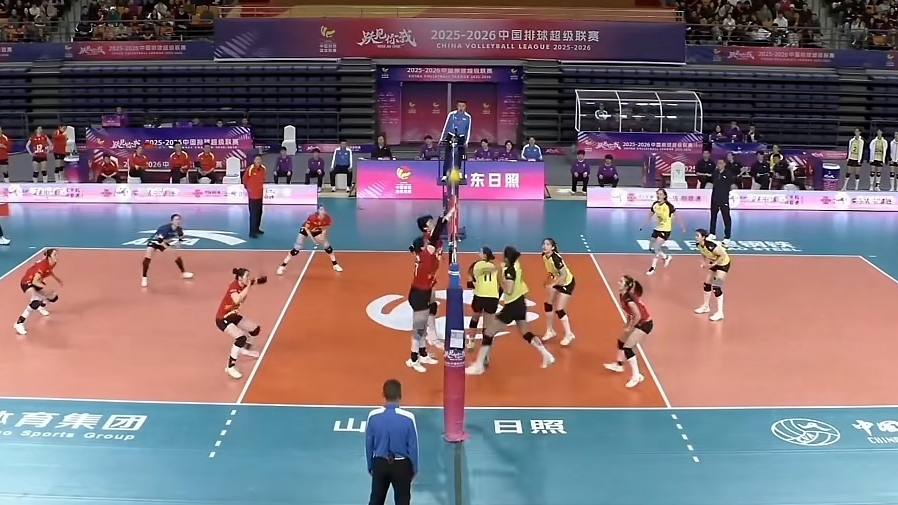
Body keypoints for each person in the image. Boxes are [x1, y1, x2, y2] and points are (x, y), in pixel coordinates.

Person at [466, 245, 555, 375]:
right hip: (521, 303)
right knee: (526, 333)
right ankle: (547, 355)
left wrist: (501, 281)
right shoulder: (516, 265)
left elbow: (508, 290)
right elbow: (502, 266)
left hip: (512, 306)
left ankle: (479, 365)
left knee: (489, 332)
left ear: (507, 258)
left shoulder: (509, 271)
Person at [405, 211, 453, 372]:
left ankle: (423, 353)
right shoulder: (425, 256)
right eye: (427, 244)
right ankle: (413, 359)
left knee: (423, 326)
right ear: (422, 248)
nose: (430, 244)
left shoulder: (424, 254)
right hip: (419, 293)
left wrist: (444, 220)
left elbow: (434, 239)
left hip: (424, 290)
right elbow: (434, 238)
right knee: (418, 328)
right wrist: (444, 219)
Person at [365, 379, 418, 505]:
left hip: (380, 463)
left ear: (383, 394)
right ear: (400, 395)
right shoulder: (408, 418)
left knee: (376, 500)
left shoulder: (373, 416)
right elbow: (413, 447)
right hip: (402, 466)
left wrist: (371, 466)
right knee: (403, 501)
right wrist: (413, 469)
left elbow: (369, 444)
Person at [603, 275, 653, 388]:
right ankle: (619, 365)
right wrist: (627, 324)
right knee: (621, 341)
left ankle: (636, 376)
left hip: (645, 324)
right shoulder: (623, 295)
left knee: (628, 348)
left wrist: (630, 327)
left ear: (626, 286)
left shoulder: (629, 300)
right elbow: (630, 313)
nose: (618, 282)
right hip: (638, 322)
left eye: (621, 281)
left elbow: (637, 315)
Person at [215, 267, 264, 379]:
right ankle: (230, 367)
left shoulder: (243, 283)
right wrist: (248, 286)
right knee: (241, 338)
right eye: (246, 276)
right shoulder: (233, 287)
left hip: (233, 315)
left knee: (255, 329)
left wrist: (260, 280)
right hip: (223, 319)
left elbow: (253, 281)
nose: (248, 278)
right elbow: (237, 299)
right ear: (240, 278)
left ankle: (242, 349)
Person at [276, 205, 343, 275]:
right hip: (306, 230)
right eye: (321, 210)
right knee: (296, 250)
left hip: (316, 229)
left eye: (323, 210)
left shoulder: (327, 218)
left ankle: (335, 265)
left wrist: (322, 235)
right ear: (318, 211)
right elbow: (306, 228)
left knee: (328, 248)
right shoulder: (312, 217)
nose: (323, 211)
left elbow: (324, 227)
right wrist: (313, 239)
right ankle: (282, 267)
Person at [14, 248, 62, 336]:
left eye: (57, 254)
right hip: (27, 282)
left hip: (37, 282)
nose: (57, 256)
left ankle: (41, 306)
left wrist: (57, 279)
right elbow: (34, 281)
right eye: (55, 255)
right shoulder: (43, 266)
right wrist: (46, 288)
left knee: (53, 297)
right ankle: (19, 323)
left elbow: (49, 271)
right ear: (49, 257)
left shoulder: (52, 263)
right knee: (35, 301)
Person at [141, 214, 195, 288]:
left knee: (175, 254)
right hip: (154, 241)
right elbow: (159, 240)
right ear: (172, 221)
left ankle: (184, 273)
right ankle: (144, 277)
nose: (178, 221)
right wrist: (166, 246)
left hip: (164, 242)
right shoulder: (165, 229)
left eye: (179, 219)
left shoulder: (179, 229)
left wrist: (179, 243)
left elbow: (181, 237)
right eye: (176, 220)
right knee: (148, 256)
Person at [640, 189, 685, 276]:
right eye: (657, 194)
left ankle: (653, 268)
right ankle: (666, 257)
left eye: (660, 194)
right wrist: (643, 225)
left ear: (664, 196)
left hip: (665, 230)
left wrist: (682, 226)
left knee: (656, 247)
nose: (658, 196)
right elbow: (650, 215)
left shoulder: (668, 206)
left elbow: (677, 215)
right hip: (657, 228)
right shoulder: (655, 205)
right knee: (651, 247)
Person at [540, 238, 575, 346]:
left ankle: (569, 334)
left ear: (553, 247)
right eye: (544, 244)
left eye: (547, 244)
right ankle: (550, 331)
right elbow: (551, 271)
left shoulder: (556, 258)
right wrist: (546, 280)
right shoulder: (544, 256)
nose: (544, 246)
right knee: (548, 305)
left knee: (559, 309)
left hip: (567, 283)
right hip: (557, 280)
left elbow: (564, 275)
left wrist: (553, 285)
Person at [693, 228, 731, 322]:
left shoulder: (711, 245)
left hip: (723, 264)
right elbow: (704, 253)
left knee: (717, 287)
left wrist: (713, 264)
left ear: (703, 237)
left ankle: (720, 312)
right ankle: (706, 306)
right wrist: (704, 262)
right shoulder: (699, 245)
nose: (695, 237)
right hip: (714, 262)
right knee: (707, 284)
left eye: (698, 236)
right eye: (695, 235)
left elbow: (722, 255)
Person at [466, 246, 500, 349]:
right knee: (488, 325)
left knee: (475, 317)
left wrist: (475, 285)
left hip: (480, 296)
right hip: (493, 297)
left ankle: (471, 341)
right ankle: (485, 348)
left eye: (481, 251)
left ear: (484, 255)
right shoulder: (495, 267)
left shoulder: (476, 265)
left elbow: (470, 281)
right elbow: (501, 283)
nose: (479, 252)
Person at [709, 159, 735, 247]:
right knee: (713, 216)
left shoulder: (728, 174)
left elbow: (732, 186)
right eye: (718, 163)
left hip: (724, 199)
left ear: (724, 164)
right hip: (714, 198)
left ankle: (727, 237)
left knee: (726, 218)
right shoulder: (715, 173)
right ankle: (712, 233)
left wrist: (725, 192)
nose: (719, 165)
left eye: (720, 163)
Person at [243, 154, 266, 238]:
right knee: (253, 214)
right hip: (253, 196)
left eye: (260, 159)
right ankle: (252, 232)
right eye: (257, 159)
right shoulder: (250, 169)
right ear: (254, 160)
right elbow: (244, 180)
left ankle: (257, 229)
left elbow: (263, 179)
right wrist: (250, 189)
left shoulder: (263, 169)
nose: (258, 161)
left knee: (259, 213)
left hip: (260, 194)